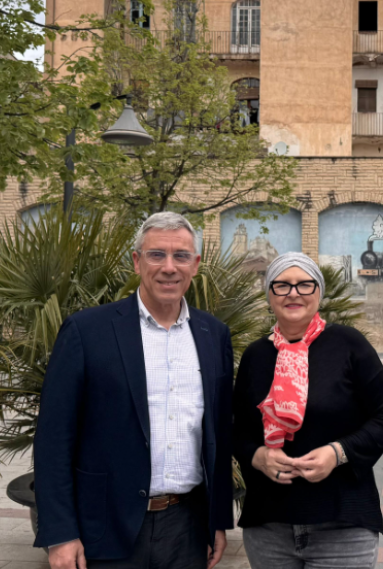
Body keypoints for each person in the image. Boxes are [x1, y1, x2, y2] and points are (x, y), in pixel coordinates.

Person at [34, 212, 234, 569]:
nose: (169, 267)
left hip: (187, 528)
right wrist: (60, 533)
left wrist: (217, 520)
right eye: (157, 254)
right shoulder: (87, 330)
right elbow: (53, 439)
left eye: (181, 256)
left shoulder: (213, 334)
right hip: (106, 528)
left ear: (196, 264)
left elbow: (217, 435)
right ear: (137, 261)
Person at [233, 253, 383, 569]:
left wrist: (338, 453)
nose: (293, 293)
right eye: (281, 285)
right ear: (269, 295)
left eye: (304, 284)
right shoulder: (256, 356)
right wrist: (258, 457)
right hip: (269, 527)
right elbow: (238, 429)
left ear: (318, 292)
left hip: (342, 524)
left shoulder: (349, 344)